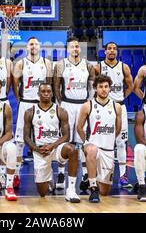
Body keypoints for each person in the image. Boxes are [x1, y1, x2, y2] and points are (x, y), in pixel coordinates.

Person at [24, 83, 80, 203]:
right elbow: (26, 138)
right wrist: (37, 149)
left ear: (52, 94)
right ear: (38, 94)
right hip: (40, 150)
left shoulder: (60, 111)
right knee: (42, 193)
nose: (46, 94)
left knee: (73, 150)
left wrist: (52, 146)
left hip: (56, 147)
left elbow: (66, 135)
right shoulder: (30, 112)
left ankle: (71, 190)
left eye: (48, 91)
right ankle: (48, 177)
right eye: (43, 91)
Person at [53, 37, 95, 190]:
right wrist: (61, 104)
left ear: (80, 48)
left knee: (82, 141)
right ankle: (60, 173)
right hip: (67, 104)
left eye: (77, 46)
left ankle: (84, 173)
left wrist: (88, 104)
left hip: (83, 105)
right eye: (72, 47)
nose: (75, 49)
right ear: (67, 49)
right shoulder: (60, 65)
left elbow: (92, 88)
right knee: (65, 140)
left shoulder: (88, 65)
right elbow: (56, 87)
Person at [12, 37, 53, 188]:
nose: (33, 46)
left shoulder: (47, 63)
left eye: (36, 43)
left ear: (40, 46)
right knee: (20, 141)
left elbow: (49, 84)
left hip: (42, 105)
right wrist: (19, 99)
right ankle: (15, 175)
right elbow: (15, 84)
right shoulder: (21, 63)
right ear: (27, 47)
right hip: (26, 103)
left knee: (44, 140)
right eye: (31, 44)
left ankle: (47, 177)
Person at [76, 75, 122, 202]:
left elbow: (117, 129)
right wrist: (86, 142)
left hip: (108, 149)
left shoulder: (116, 107)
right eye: (100, 87)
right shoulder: (87, 105)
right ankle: (93, 188)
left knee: (105, 191)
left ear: (109, 88)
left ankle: (89, 180)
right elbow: (79, 127)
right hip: (93, 146)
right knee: (91, 150)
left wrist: (109, 139)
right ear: (95, 88)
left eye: (106, 87)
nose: (104, 89)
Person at [94, 42, 134, 187]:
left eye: (114, 49)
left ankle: (123, 175)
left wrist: (122, 98)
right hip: (103, 108)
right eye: (109, 49)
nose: (112, 51)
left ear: (117, 52)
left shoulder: (124, 67)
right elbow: (93, 87)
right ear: (104, 52)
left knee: (121, 142)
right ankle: (101, 173)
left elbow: (131, 86)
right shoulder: (98, 67)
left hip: (119, 107)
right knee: (101, 142)